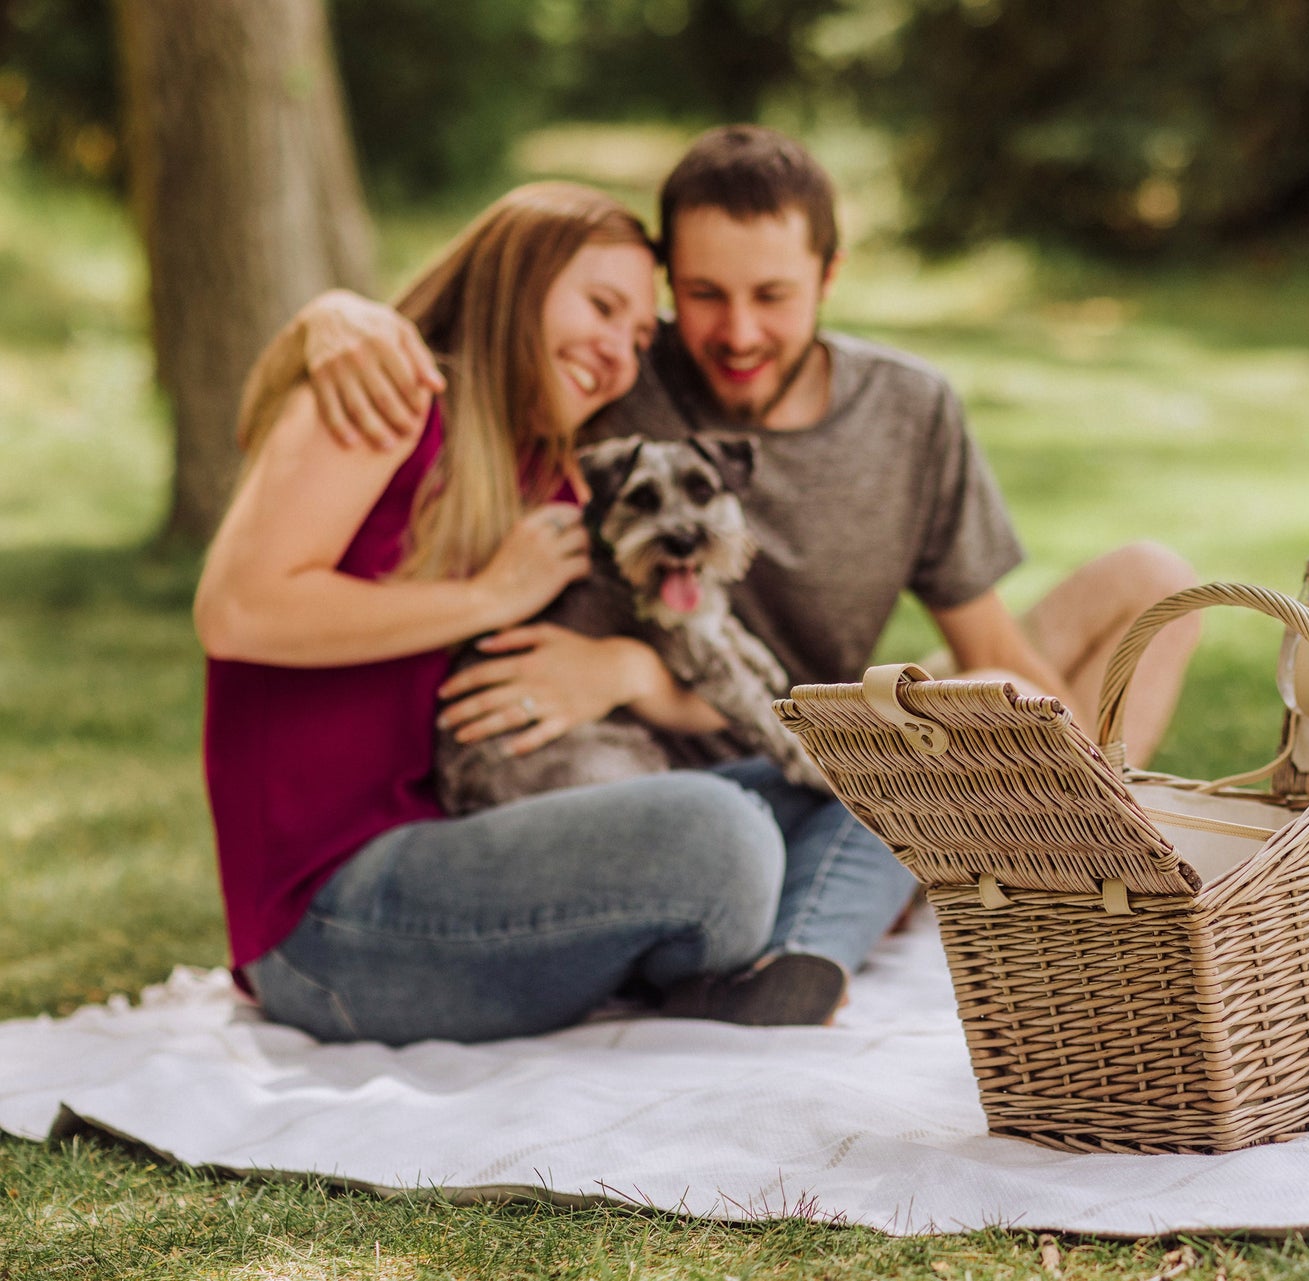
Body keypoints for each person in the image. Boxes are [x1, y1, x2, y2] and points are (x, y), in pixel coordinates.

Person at [279, 125, 1203, 1022]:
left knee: (1150, 584)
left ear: (831, 276)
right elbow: (466, 338)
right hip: (648, 774)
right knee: (887, 771)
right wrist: (327, 319)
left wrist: (1103, 806)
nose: (738, 331)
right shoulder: (611, 377)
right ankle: (882, 897)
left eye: (774, 294)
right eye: (703, 295)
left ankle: (1015, 863)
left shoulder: (911, 410)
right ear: (668, 285)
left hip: (809, 740)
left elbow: (990, 644)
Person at [195, 182, 804, 1046]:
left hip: (476, 848)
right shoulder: (387, 396)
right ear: (519, 279)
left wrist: (625, 672)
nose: (619, 355)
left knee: (855, 785)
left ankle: (806, 958)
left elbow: (698, 652)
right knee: (719, 837)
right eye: (602, 307)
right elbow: (237, 610)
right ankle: (745, 943)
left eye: (639, 336)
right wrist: (488, 597)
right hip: (330, 923)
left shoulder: (554, 482)